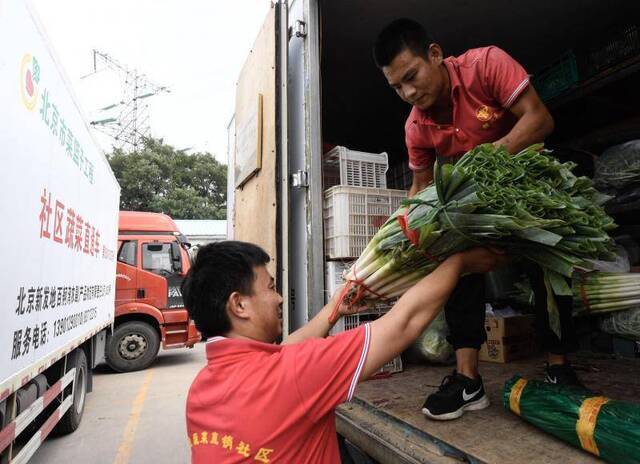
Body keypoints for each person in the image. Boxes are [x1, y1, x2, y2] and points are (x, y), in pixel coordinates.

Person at [373, 18, 583, 422]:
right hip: (474, 208)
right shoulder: (415, 125)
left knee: (550, 262)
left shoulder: (486, 65)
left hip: (528, 185)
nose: (409, 92)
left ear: (434, 55)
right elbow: (419, 185)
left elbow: (539, 120)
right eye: (397, 87)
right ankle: (467, 380)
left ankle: (559, 366)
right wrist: (404, 232)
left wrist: (484, 162)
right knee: (453, 257)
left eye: (412, 76)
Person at [183, 240, 507, 463]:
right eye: (269, 287)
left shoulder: (202, 388)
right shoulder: (293, 375)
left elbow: (284, 356)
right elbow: (403, 323)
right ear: (239, 304)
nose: (279, 298)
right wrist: (460, 262)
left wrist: (336, 306)